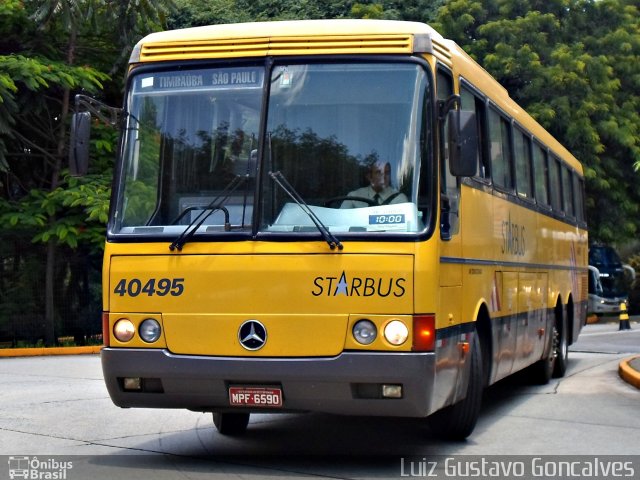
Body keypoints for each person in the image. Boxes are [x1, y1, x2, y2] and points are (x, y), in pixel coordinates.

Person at [341, 161, 408, 208]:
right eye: (379, 172)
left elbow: (406, 225)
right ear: (369, 177)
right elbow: (340, 222)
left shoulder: (399, 199)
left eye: (387, 173)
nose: (384, 176)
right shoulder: (353, 197)